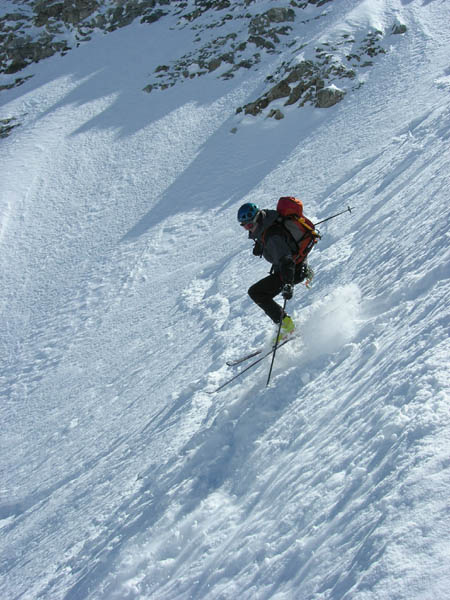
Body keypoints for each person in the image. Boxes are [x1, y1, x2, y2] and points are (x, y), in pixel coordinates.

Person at [237, 202, 311, 342]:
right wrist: (260, 244)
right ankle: (286, 325)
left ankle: (287, 327)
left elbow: (286, 260)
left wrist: (288, 284)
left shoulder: (272, 236)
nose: (248, 229)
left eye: (249, 225)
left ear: (257, 219)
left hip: (291, 271)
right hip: (292, 267)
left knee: (257, 293)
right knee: (259, 292)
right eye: (244, 226)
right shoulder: (267, 222)